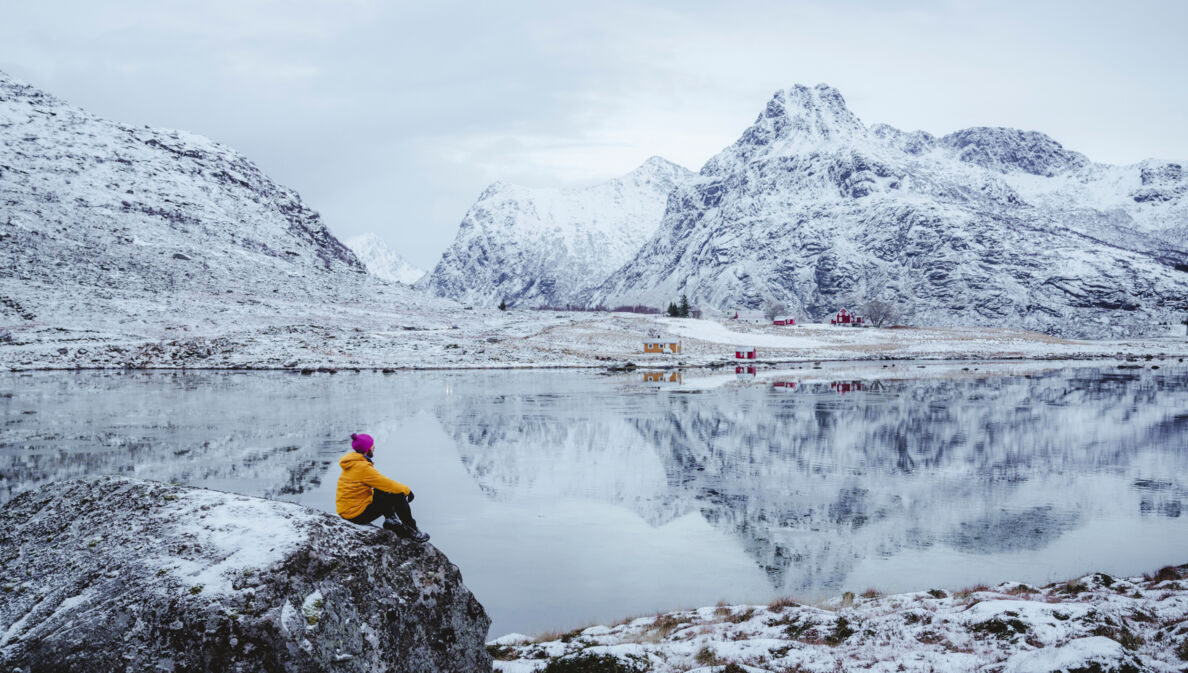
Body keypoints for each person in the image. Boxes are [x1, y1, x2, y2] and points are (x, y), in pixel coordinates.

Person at [336, 432, 429, 543]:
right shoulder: (362, 468)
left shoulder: (352, 463)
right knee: (398, 494)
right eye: (372, 446)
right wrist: (407, 491)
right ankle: (412, 530)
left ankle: (391, 520)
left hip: (347, 510)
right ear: (366, 449)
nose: (374, 447)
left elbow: (382, 485)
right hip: (356, 515)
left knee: (382, 491)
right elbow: (387, 484)